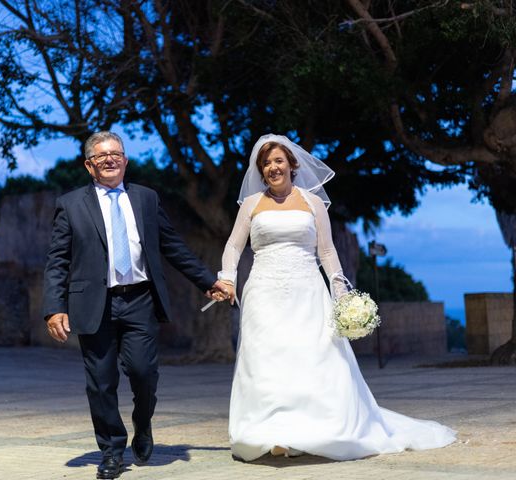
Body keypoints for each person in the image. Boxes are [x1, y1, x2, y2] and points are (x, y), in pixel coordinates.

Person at [215, 133, 456, 462]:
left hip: (307, 291)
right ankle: (268, 432)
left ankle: (310, 430)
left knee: (311, 358)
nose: (272, 167)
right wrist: (227, 279)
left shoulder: (313, 203)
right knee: (265, 360)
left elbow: (327, 252)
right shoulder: (252, 205)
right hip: (263, 291)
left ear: (292, 164)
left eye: (278, 161)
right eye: (266, 163)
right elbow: (233, 246)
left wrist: (342, 296)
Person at [43, 131, 229, 479]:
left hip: (139, 300)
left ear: (125, 160)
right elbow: (57, 261)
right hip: (93, 305)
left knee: (144, 373)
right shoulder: (70, 204)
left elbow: (173, 246)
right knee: (101, 381)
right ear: (89, 165)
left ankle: (142, 425)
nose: (110, 159)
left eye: (116, 153)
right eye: (101, 156)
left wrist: (207, 281)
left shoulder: (145, 199)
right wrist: (54, 307)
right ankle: (112, 450)